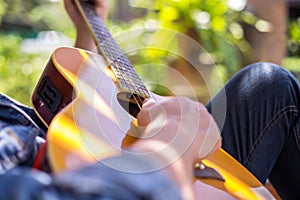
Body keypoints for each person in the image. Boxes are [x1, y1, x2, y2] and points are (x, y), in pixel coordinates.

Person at [0, 0, 299, 200]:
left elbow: (64, 133)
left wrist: (88, 32)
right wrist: (173, 140)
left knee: (268, 82)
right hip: (151, 179)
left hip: (122, 161)